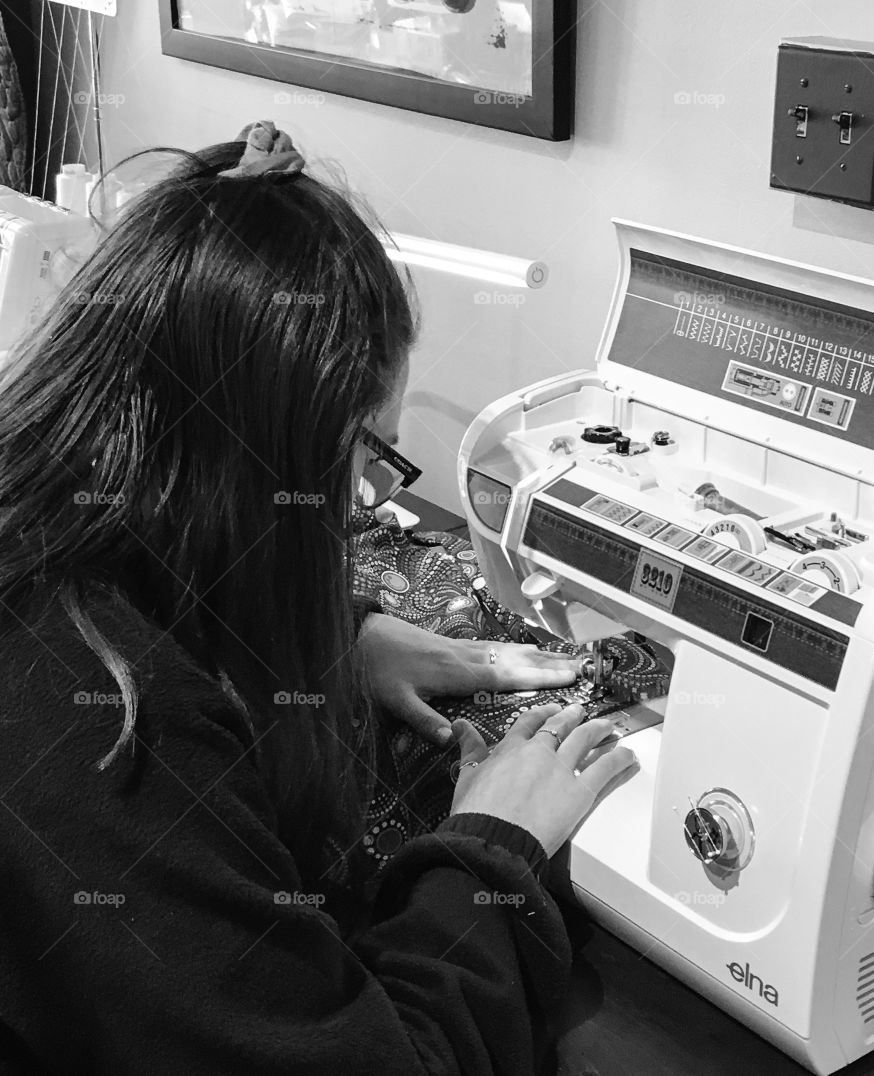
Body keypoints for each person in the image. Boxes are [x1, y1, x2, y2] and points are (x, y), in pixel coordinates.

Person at [0, 122, 636, 1074]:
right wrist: (488, 852)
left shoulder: (42, 530)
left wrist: (336, 637)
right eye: (369, 453)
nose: (367, 500)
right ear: (265, 454)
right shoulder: (114, 723)